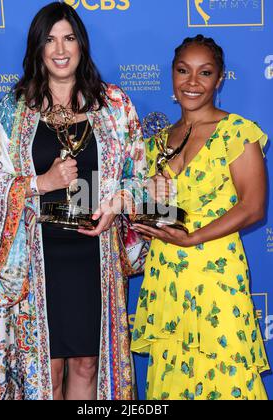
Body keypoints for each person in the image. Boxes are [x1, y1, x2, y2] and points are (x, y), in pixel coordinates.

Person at [0, 2, 146, 400]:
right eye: (50, 40)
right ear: (38, 49)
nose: (60, 49)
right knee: (45, 369)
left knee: (90, 363)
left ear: (81, 45)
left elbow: (141, 177)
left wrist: (118, 204)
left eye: (68, 38)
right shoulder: (13, 110)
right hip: (38, 258)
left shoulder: (114, 107)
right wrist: (42, 181)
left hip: (95, 256)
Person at [130, 35, 270, 400]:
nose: (192, 82)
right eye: (183, 71)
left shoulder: (238, 133)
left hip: (215, 273)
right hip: (166, 274)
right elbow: (157, 213)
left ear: (219, 79)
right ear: (172, 75)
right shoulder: (156, 142)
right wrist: (146, 207)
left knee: (226, 372)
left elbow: (253, 206)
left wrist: (193, 237)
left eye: (204, 73)